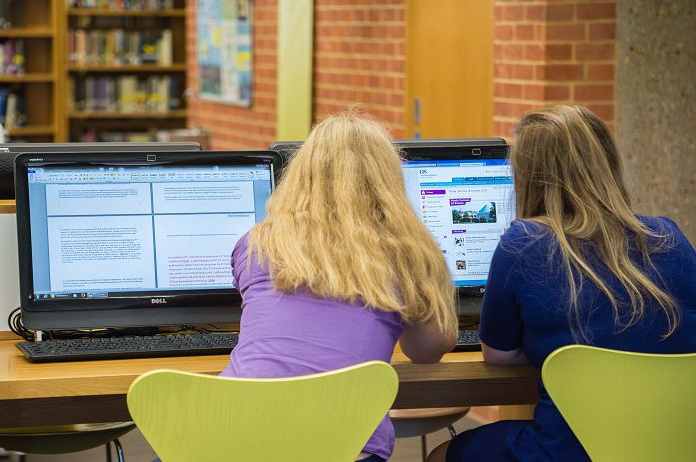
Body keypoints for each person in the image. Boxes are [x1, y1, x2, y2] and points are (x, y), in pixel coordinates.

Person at [429, 104, 696, 462]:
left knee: (444, 452)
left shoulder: (523, 242)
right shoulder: (669, 235)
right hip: (673, 444)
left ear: (528, 175)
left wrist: (545, 342)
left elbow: (497, 355)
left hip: (570, 451)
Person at [222, 112, 459, 461]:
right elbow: (428, 350)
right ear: (388, 180)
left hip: (232, 435)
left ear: (302, 173)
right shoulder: (409, 250)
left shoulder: (257, 242)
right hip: (347, 446)